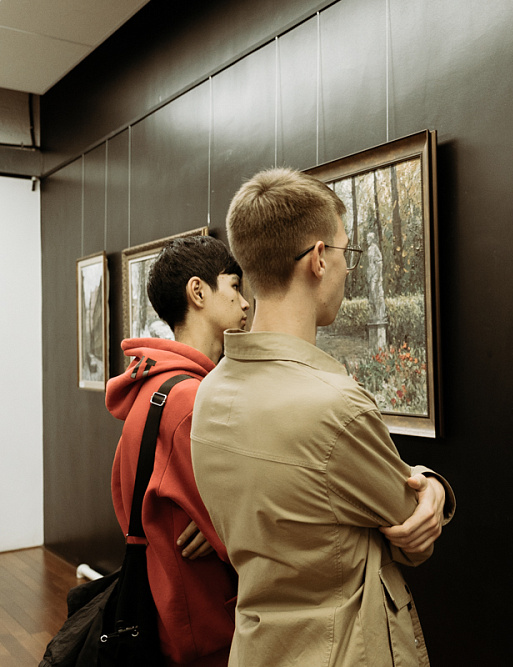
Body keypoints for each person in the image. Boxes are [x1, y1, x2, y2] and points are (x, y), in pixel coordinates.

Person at [190, 168, 455, 667]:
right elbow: (414, 536)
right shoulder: (335, 408)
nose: (347, 268)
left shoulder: (209, 392)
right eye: (345, 253)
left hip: (256, 649)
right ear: (318, 258)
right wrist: (433, 486)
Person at [107, 235, 249, 667]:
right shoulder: (189, 400)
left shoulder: (153, 388)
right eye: (235, 286)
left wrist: (212, 522)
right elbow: (245, 532)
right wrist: (219, 525)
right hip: (206, 628)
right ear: (198, 292)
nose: (246, 303)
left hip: (171, 613)